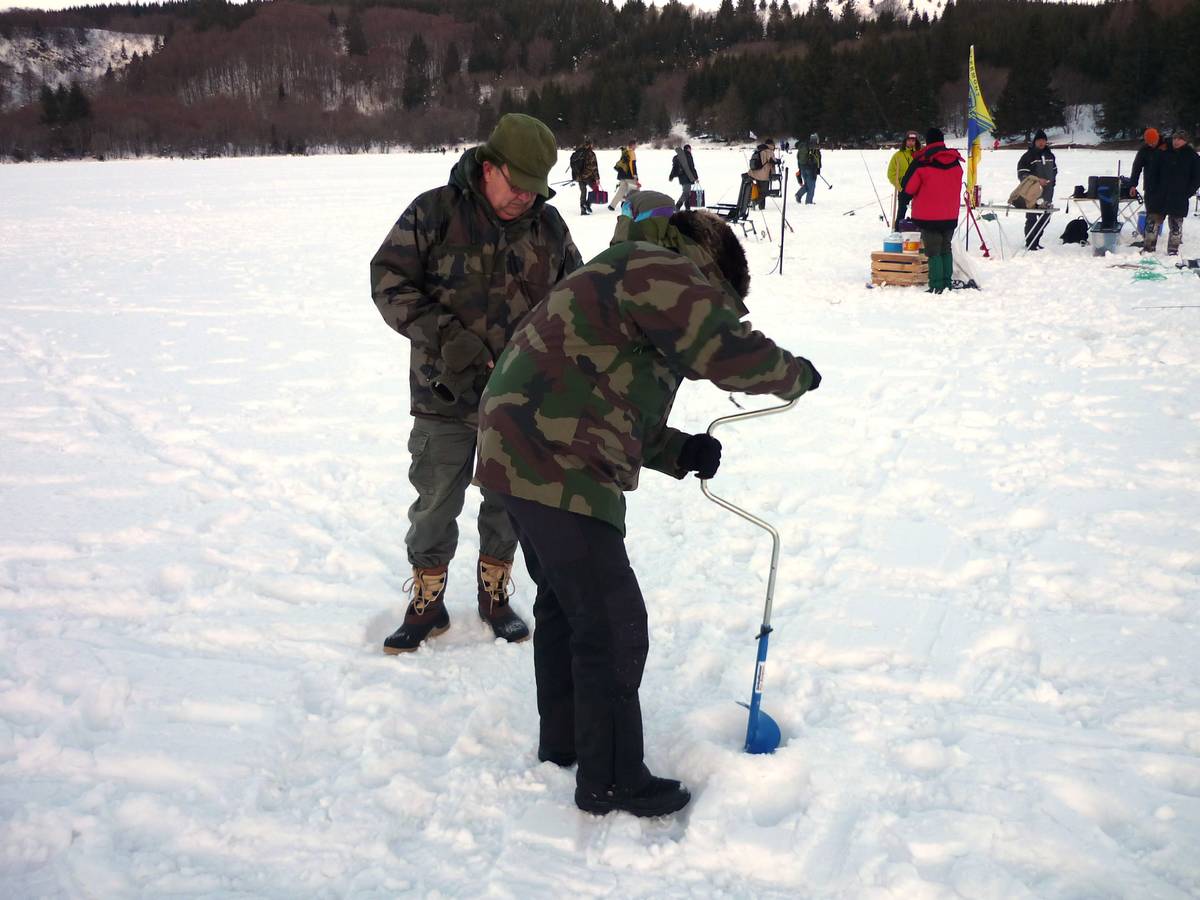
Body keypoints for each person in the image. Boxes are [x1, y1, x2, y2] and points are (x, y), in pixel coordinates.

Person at [474, 191, 821, 818]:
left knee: (564, 606)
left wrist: (681, 450)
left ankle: (566, 745)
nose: (711, 308)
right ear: (705, 271)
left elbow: (610, 401)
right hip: (553, 459)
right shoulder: (653, 266)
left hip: (517, 450)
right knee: (612, 623)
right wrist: (792, 373)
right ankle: (610, 779)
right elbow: (721, 347)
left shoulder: (625, 281)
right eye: (716, 299)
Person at [369, 113, 583, 654]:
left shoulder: (550, 228)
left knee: (508, 502)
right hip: (443, 395)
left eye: (536, 191)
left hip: (519, 401)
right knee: (436, 499)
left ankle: (494, 593)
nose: (525, 200)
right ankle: (427, 599)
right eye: (517, 187)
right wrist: (447, 337)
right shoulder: (434, 213)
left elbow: (577, 303)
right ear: (489, 167)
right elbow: (388, 281)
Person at [901, 127, 964, 294]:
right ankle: (947, 283)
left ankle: (936, 285)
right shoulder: (955, 160)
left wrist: (904, 201)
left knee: (933, 251)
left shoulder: (922, 161)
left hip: (928, 216)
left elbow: (908, 187)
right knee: (946, 248)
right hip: (950, 214)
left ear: (927, 142)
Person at [1142, 129, 1200, 256]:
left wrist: (1187, 192)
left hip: (1179, 196)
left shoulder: (1192, 156)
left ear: (1185, 141)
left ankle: (1173, 250)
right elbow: (1152, 172)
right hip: (1159, 195)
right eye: (1174, 138)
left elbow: (1196, 178)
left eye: (1179, 139)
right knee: (1152, 223)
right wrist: (1152, 189)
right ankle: (1148, 247)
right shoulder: (1162, 152)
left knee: (1176, 226)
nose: (1176, 141)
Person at [1016, 128, 1057, 250]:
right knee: (1032, 217)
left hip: (1047, 192)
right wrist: (1037, 180)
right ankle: (1030, 242)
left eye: (1043, 140)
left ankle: (1036, 239)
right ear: (1034, 142)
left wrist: (1052, 182)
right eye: (1039, 140)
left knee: (1045, 217)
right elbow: (1022, 174)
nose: (1041, 143)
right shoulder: (1028, 156)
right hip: (1032, 193)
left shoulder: (1050, 155)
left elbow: (1055, 171)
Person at [887, 130, 921, 228]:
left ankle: (917, 231)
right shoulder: (898, 156)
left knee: (918, 211)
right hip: (903, 187)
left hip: (918, 188)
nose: (911, 143)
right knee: (901, 212)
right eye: (909, 140)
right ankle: (897, 230)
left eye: (913, 141)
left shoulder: (919, 155)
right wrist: (899, 186)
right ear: (905, 141)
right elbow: (891, 173)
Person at [568, 137, 600, 215]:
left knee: (583, 192)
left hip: (579, 176)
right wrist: (597, 178)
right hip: (588, 176)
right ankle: (587, 204)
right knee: (596, 189)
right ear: (590, 145)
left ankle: (583, 209)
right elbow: (594, 167)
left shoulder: (578, 152)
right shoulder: (591, 153)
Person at [609, 139, 640, 211]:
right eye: (635, 145)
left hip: (622, 175)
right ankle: (637, 206)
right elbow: (632, 165)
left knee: (621, 191)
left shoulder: (625, 151)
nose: (636, 147)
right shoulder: (631, 152)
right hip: (629, 176)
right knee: (636, 190)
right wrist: (635, 175)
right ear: (632, 145)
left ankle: (612, 206)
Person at [668, 143, 700, 210]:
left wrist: (671, 176)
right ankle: (677, 206)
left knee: (687, 192)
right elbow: (692, 167)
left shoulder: (678, 156)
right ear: (688, 149)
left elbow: (674, 167)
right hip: (688, 177)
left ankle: (687, 208)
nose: (691, 150)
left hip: (681, 177)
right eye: (690, 149)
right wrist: (696, 177)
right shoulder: (688, 156)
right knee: (686, 193)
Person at [748, 138, 776, 210]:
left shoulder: (759, 150)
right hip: (763, 175)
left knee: (760, 191)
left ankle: (762, 207)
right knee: (764, 192)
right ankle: (755, 202)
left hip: (755, 173)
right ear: (771, 144)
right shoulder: (769, 151)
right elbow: (772, 162)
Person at [797, 133, 822, 205]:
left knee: (807, 184)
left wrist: (799, 168)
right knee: (811, 186)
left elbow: (798, 157)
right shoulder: (814, 147)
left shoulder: (803, 146)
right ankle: (808, 202)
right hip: (811, 168)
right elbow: (817, 158)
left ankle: (798, 195)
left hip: (802, 168)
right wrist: (818, 168)